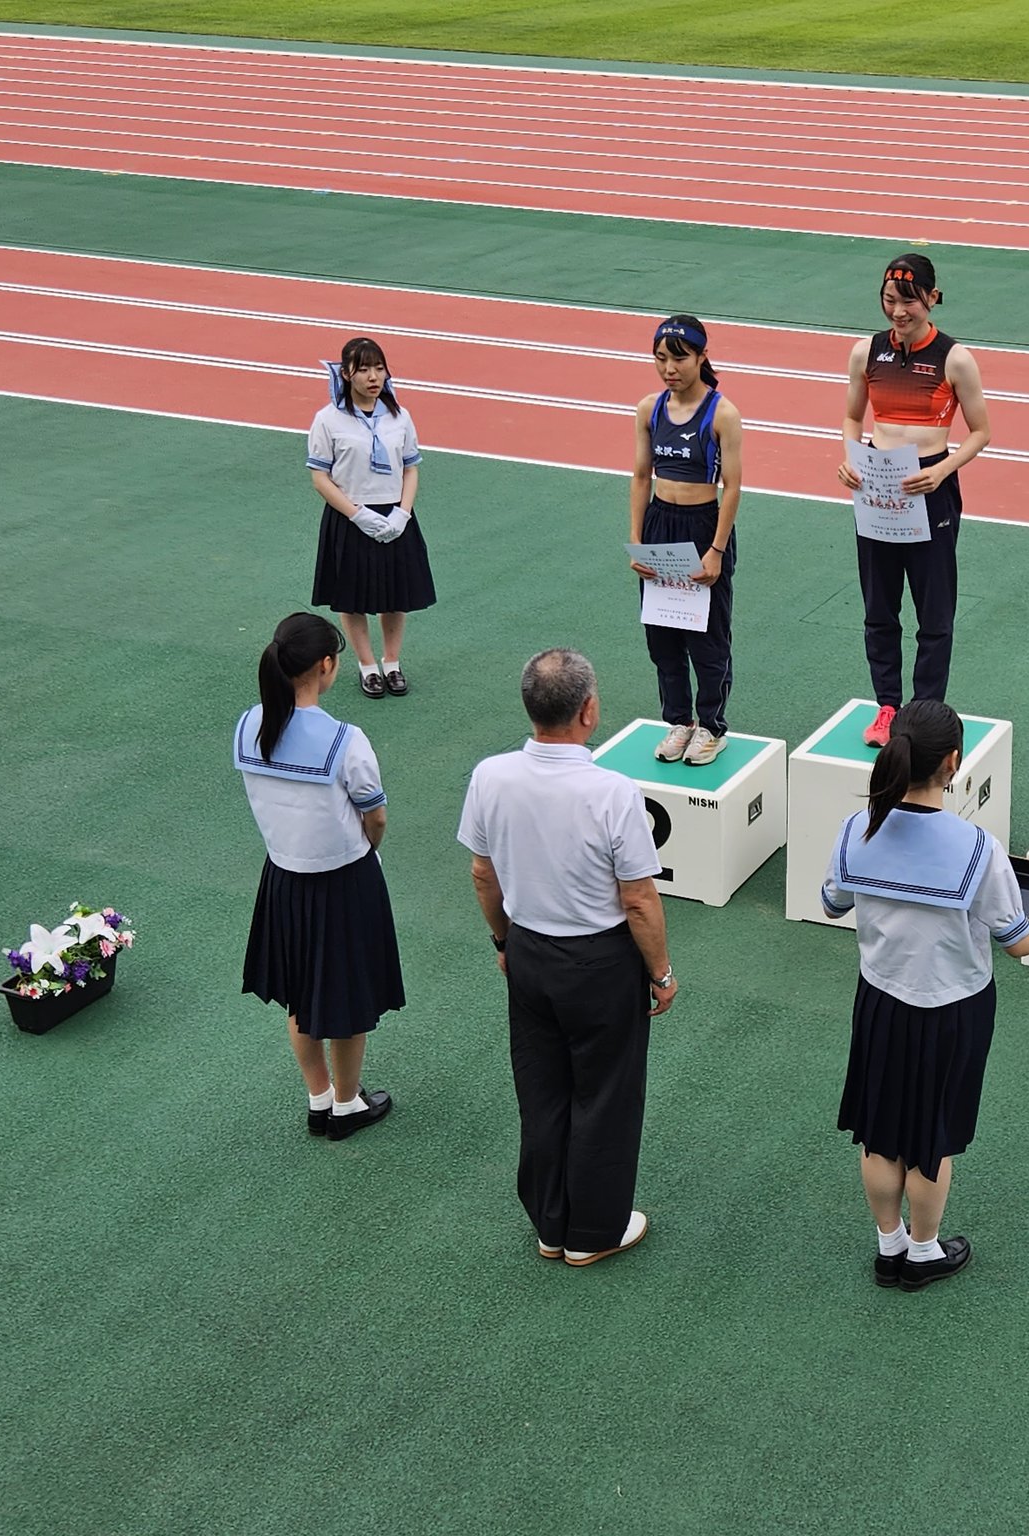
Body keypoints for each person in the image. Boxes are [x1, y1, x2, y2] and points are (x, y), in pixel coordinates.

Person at [820, 699, 1029, 1290]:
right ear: (953, 763)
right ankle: (924, 1251)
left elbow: (833, 902)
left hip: (880, 1000)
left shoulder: (856, 829)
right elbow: (1018, 941)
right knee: (931, 1138)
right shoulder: (978, 849)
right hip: (953, 1009)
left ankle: (889, 1248)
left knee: (880, 1130)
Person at [458, 649, 679, 1266]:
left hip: (528, 953)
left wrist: (504, 941)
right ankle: (593, 1234)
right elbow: (638, 898)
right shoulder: (613, 791)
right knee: (605, 1094)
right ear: (589, 710)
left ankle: (550, 1225)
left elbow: (482, 873)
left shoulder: (490, 776)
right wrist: (660, 974)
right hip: (601, 964)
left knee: (542, 1089)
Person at [236, 612, 403, 1140]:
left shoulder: (246, 725)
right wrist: (366, 849)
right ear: (327, 666)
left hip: (283, 878)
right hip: (344, 881)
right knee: (347, 999)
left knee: (300, 994)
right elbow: (374, 817)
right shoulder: (345, 740)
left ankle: (319, 1098)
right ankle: (348, 1104)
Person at [837, 254, 994, 747]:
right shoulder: (866, 353)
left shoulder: (955, 358)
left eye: (908, 301)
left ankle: (925, 711)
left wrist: (942, 470)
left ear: (931, 298)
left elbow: (981, 432)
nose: (898, 311)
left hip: (930, 485)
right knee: (879, 608)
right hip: (877, 484)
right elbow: (851, 418)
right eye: (889, 300)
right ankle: (887, 706)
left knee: (935, 611)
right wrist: (851, 459)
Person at [628, 315, 744, 767]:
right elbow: (640, 476)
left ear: (701, 357)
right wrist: (637, 540)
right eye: (660, 358)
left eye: (679, 358)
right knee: (663, 636)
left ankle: (712, 726)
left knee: (708, 639)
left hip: (701, 527)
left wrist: (716, 550)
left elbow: (732, 487)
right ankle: (679, 721)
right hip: (660, 525)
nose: (669, 368)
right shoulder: (648, 409)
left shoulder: (723, 413)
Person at [307, 335, 437, 699]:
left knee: (396, 594)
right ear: (346, 373)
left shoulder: (400, 416)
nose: (373, 376)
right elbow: (320, 477)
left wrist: (402, 513)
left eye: (379, 368)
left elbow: (411, 468)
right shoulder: (328, 419)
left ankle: (392, 663)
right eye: (363, 369)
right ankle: (367, 667)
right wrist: (357, 514)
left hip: (395, 513)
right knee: (354, 597)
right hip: (351, 516)